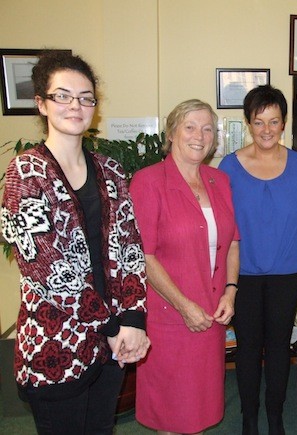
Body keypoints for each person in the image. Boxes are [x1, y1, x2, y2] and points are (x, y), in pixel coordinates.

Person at [0, 51, 150, 435]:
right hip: (55, 346)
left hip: (109, 345)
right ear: (41, 103)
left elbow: (129, 248)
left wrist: (133, 319)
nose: (75, 106)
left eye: (85, 97)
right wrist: (113, 325)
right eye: (63, 95)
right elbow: (46, 268)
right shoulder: (24, 172)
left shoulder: (111, 171)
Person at [130, 99, 239, 434]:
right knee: (173, 412)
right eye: (190, 126)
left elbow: (233, 241)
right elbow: (144, 256)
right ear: (172, 132)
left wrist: (231, 292)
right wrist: (183, 305)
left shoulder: (219, 180)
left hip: (211, 313)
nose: (199, 135)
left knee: (200, 408)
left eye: (207, 128)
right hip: (171, 317)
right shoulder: (148, 182)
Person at [218, 85, 297, 435]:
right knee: (246, 349)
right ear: (248, 124)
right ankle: (249, 418)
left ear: (284, 123)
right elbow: (225, 225)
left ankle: (275, 417)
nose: (267, 129)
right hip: (242, 275)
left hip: (288, 274)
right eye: (259, 122)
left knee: (278, 348)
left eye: (274, 121)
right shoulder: (229, 166)